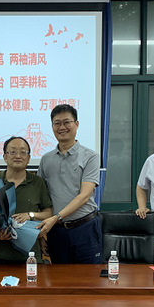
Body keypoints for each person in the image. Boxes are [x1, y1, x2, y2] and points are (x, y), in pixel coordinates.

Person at [37, 104, 102, 264]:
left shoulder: (90, 156)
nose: (62, 127)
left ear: (76, 124)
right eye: (57, 123)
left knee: (89, 277)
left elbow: (84, 196)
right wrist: (40, 235)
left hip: (85, 228)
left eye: (67, 122)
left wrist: (56, 217)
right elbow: (41, 199)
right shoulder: (46, 159)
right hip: (56, 231)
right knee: (58, 277)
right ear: (52, 126)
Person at [0, 136, 53, 264]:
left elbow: (48, 213)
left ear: (29, 158)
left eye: (23, 152)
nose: (18, 156)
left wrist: (30, 215)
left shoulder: (37, 182)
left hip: (29, 256)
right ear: (5, 157)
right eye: (13, 152)